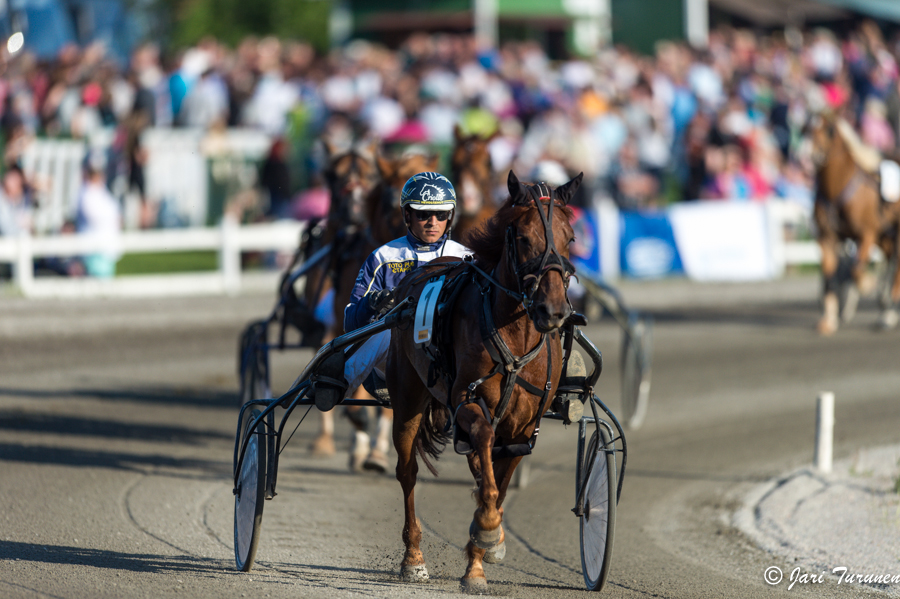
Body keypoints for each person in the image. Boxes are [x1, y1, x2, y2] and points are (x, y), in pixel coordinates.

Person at [311, 171, 470, 412]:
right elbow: (350, 321)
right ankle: (338, 384)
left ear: (451, 216)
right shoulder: (383, 257)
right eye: (424, 214)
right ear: (407, 214)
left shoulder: (467, 258)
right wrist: (372, 304)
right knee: (384, 331)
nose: (433, 222)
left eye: (441, 214)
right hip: (397, 357)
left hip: (450, 356)